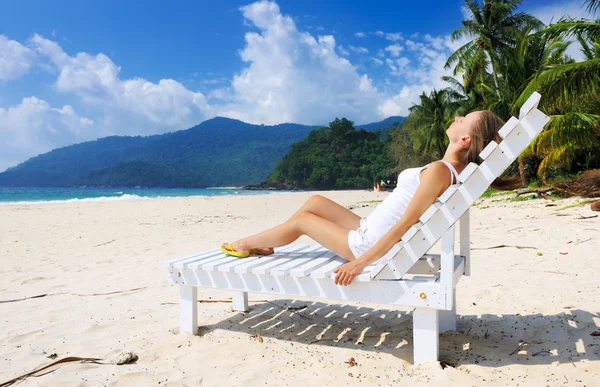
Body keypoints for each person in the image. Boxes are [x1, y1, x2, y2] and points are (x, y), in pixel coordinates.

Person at [221, 111, 520, 286]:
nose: (457, 117)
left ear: (465, 139)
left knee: (303, 221)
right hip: (368, 226)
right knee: (314, 202)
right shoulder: (448, 170)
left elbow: (405, 223)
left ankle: (247, 244)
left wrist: (360, 263)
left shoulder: (441, 172)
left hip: (366, 243)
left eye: (463, 119)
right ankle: (269, 240)